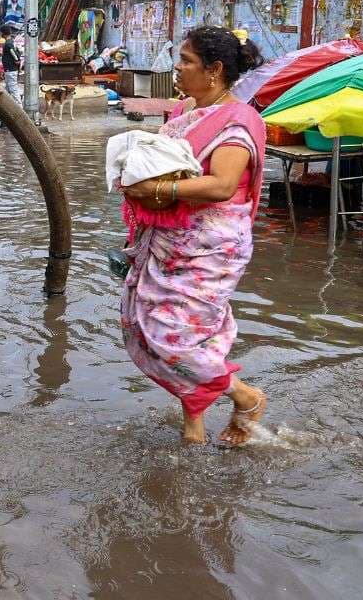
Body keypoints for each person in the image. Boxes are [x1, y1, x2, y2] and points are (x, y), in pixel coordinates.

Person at [118, 26, 269, 446]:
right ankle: (194, 429)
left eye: (185, 61)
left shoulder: (239, 120)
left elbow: (222, 185)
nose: (177, 68)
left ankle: (246, 397)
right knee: (151, 326)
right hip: (169, 239)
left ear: (214, 70)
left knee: (176, 338)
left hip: (209, 249)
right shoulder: (187, 111)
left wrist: (158, 191)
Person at [0, 24, 23, 106]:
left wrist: (16, 60)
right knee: (8, 90)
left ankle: (20, 108)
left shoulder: (8, 44)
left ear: (3, 33)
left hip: (10, 70)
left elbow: (13, 54)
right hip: (10, 70)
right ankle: (6, 108)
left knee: (13, 89)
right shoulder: (11, 42)